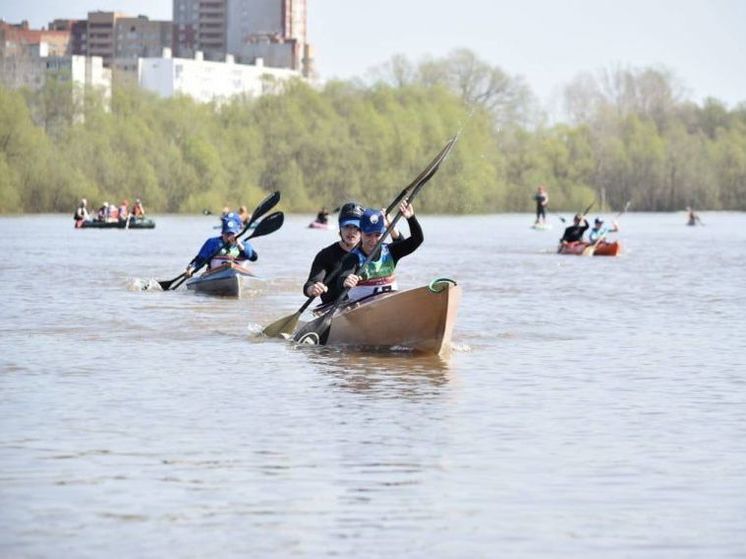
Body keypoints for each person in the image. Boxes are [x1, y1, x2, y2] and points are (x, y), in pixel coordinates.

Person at [338, 200, 422, 303]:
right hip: (362, 310)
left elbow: (417, 239)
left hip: (391, 306)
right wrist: (346, 280)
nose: (373, 241)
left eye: (377, 235)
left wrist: (411, 217)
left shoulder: (391, 251)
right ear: (360, 232)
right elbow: (341, 278)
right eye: (368, 235)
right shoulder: (353, 257)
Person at [303, 202, 364, 305]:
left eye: (356, 227)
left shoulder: (371, 250)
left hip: (363, 304)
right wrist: (312, 289)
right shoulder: (326, 255)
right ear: (340, 228)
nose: (351, 231)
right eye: (347, 226)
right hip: (334, 306)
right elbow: (309, 285)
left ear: (362, 229)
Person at [184, 212, 257, 277]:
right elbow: (199, 260)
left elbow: (253, 257)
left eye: (232, 234)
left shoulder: (245, 245)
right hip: (214, 275)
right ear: (222, 233)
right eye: (227, 234)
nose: (229, 237)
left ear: (238, 233)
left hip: (239, 274)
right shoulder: (212, 243)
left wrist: (239, 245)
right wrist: (191, 269)